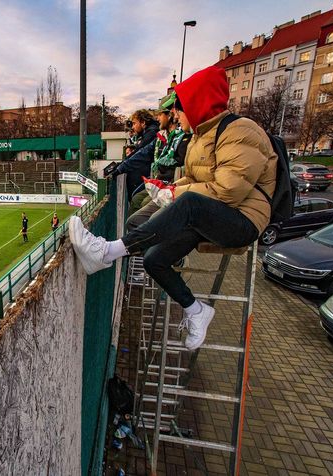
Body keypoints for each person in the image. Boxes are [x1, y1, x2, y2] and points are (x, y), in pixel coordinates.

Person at [70, 65, 277, 351]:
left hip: (243, 221)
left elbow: (228, 191)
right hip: (210, 215)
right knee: (154, 257)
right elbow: (193, 180)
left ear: (197, 105)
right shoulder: (201, 137)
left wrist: (176, 192)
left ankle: (105, 252)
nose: (176, 116)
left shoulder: (241, 131)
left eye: (179, 109)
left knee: (187, 203)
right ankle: (196, 311)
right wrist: (165, 192)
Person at [126, 96, 192, 227]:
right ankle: (134, 242)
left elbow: (179, 165)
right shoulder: (165, 136)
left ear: (170, 115)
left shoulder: (183, 137)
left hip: (169, 185)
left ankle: (139, 241)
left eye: (160, 115)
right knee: (136, 200)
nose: (157, 118)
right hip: (162, 183)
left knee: (142, 207)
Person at [113, 110, 159, 198]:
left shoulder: (151, 133)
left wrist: (121, 167)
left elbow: (140, 153)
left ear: (143, 122)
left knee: (135, 199)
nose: (133, 127)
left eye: (134, 123)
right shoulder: (148, 133)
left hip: (149, 177)